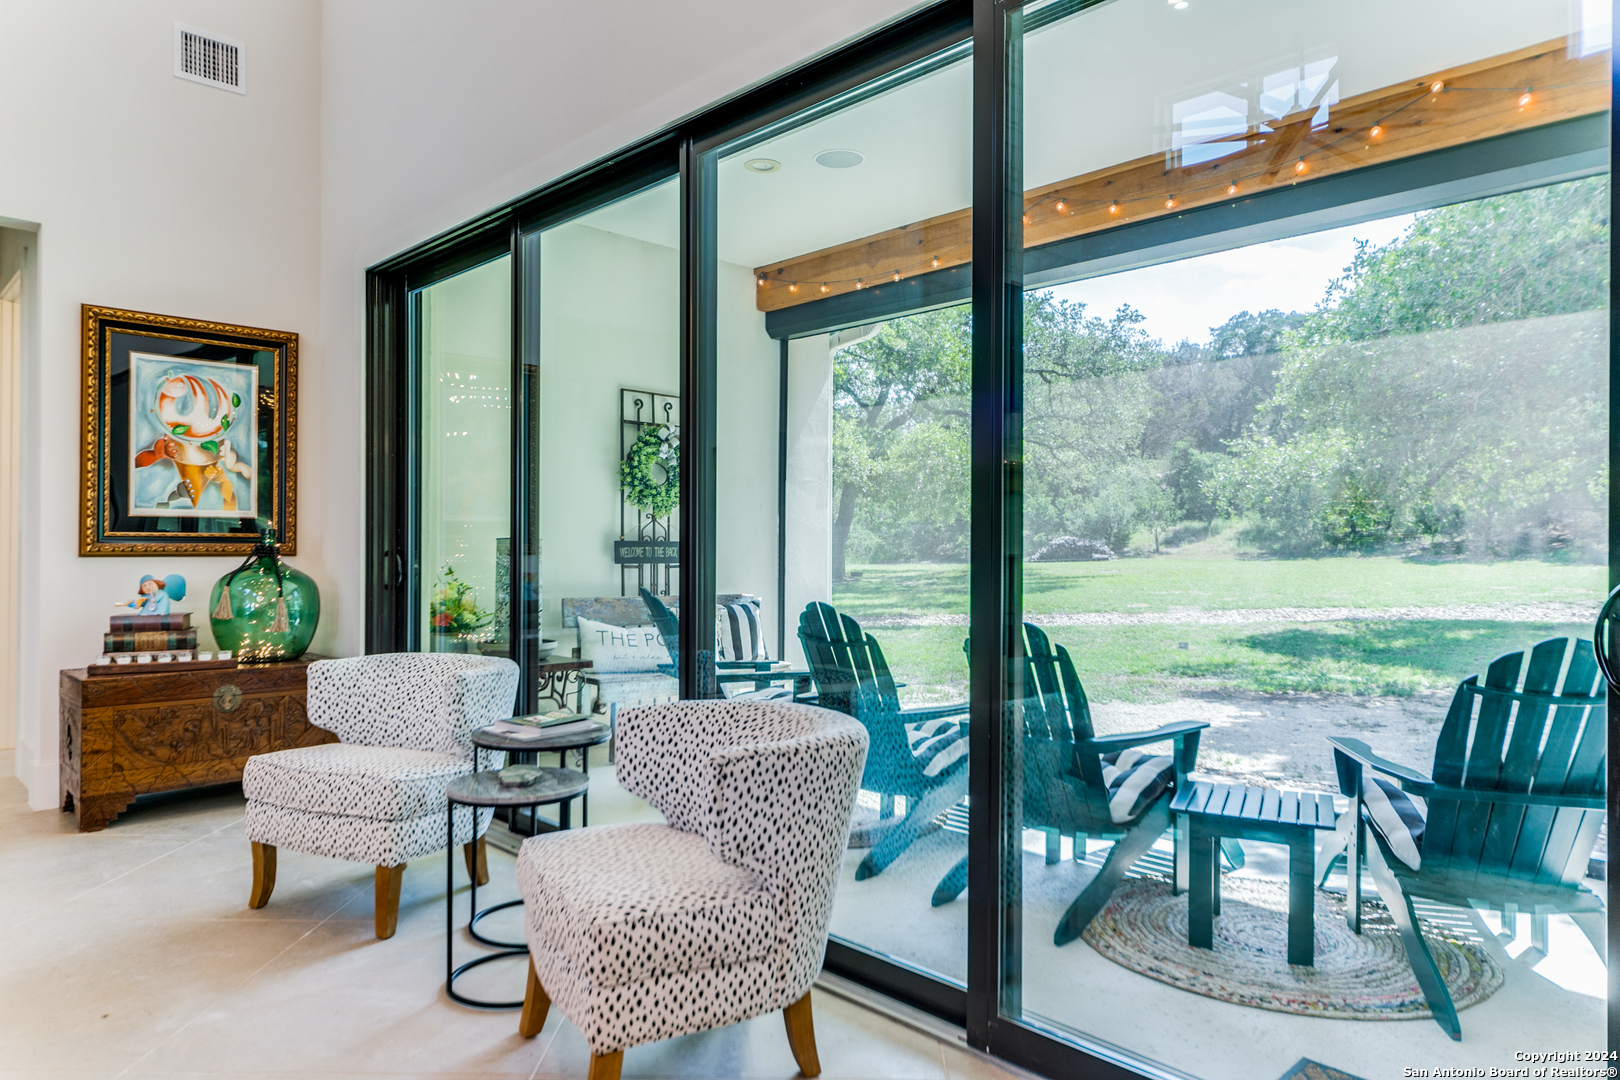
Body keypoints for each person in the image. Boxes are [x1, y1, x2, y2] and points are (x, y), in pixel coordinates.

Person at [116, 575, 183, 615]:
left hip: (160, 610)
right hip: (148, 610)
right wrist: (135, 602)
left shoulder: (162, 593)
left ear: (156, 584)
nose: (147, 588)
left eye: (150, 585)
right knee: (144, 613)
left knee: (159, 613)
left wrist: (154, 599)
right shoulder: (147, 596)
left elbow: (156, 599)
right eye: (144, 586)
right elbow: (143, 603)